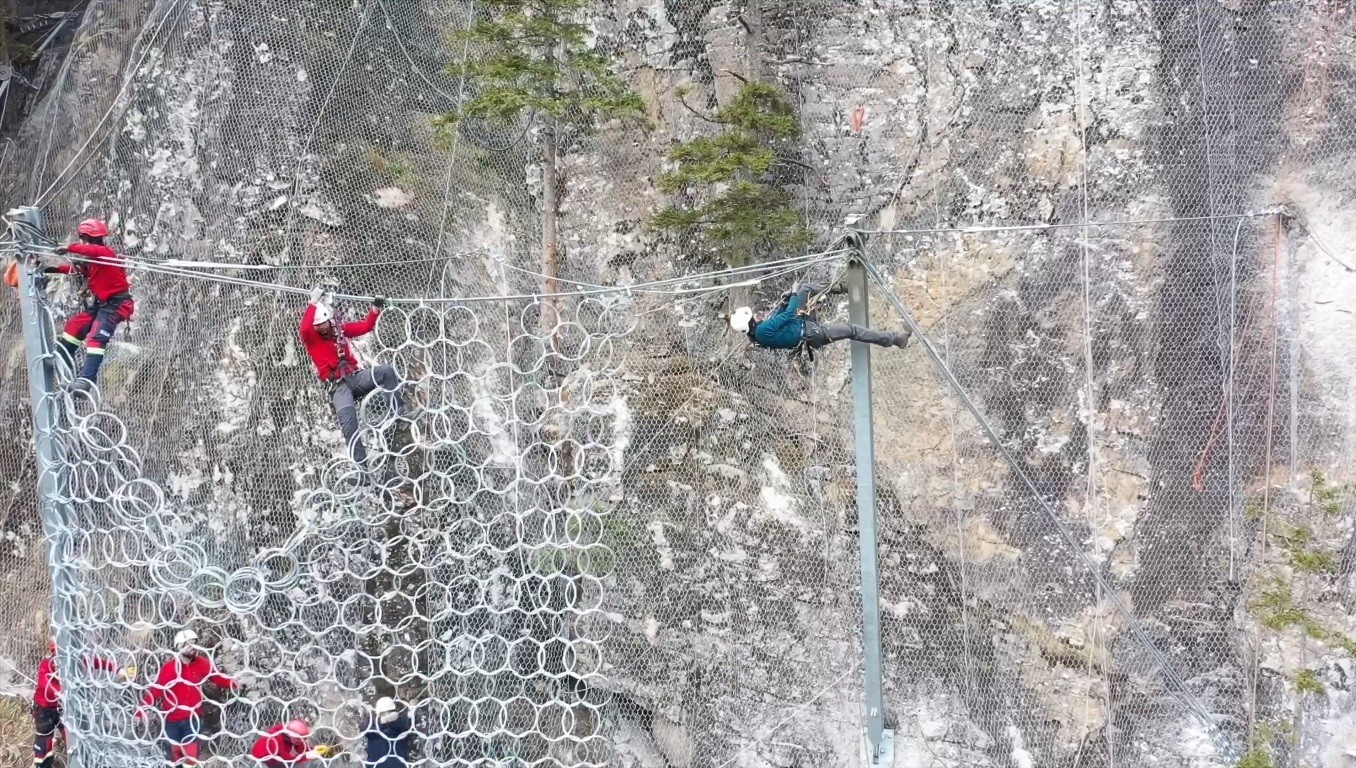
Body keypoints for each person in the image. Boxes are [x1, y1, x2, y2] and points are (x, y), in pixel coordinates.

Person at [299, 287, 405, 466]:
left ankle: (398, 414)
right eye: (318, 327)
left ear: (329, 321)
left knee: (386, 371)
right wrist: (312, 303)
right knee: (349, 425)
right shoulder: (312, 338)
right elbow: (304, 328)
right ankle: (361, 466)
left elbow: (366, 326)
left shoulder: (339, 330)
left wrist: (375, 310)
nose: (322, 329)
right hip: (338, 387)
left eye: (324, 324)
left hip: (355, 378)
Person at [43, 219, 135, 390]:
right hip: (103, 305)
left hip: (117, 304)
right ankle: (62, 360)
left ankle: (87, 380)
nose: (82, 242)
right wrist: (53, 269)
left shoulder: (105, 253)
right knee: (74, 326)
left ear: (89, 238)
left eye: (84, 238)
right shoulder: (95, 260)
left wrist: (69, 248)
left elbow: (91, 250)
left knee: (96, 337)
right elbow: (80, 270)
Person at [138, 629, 239, 766]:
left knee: (190, 761)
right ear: (179, 646)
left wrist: (234, 683)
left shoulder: (201, 664)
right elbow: (156, 691)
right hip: (172, 721)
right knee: (175, 760)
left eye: (194, 643)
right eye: (188, 644)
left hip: (193, 720)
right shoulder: (169, 668)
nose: (193, 647)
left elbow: (216, 677)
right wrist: (141, 711)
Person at [33, 638, 133, 768]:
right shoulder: (47, 664)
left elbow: (97, 662)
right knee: (44, 743)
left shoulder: (76, 660)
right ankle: (44, 765)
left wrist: (118, 669)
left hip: (64, 708)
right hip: (45, 710)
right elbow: (47, 686)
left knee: (74, 737)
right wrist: (69, 691)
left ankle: (77, 762)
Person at [730, 281, 909, 352]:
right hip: (812, 333)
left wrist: (786, 300)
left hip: (805, 327)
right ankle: (895, 339)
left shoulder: (757, 334)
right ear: (750, 322)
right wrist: (792, 295)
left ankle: (845, 286)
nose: (758, 317)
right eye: (754, 317)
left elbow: (781, 319)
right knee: (852, 330)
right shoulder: (762, 329)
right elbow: (788, 315)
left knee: (806, 290)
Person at [252, 719, 338, 767]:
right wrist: (307, 756)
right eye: (303, 739)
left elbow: (300, 748)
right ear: (292, 736)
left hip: (276, 759)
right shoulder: (276, 739)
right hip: (263, 762)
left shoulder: (291, 734)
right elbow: (287, 759)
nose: (305, 741)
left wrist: (313, 749)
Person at [363, 697, 412, 768]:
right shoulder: (373, 728)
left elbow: (407, 727)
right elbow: (363, 729)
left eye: (389, 712)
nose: (386, 714)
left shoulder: (401, 726)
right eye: (383, 713)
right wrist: (382, 722)